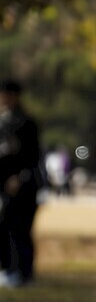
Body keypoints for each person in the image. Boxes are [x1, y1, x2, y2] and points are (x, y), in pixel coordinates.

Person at [0, 80, 41, 288]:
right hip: (4, 186)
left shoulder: (25, 123)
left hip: (23, 186)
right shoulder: (3, 122)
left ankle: (24, 273)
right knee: (4, 228)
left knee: (21, 230)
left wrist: (20, 177)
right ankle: (8, 270)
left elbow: (32, 156)